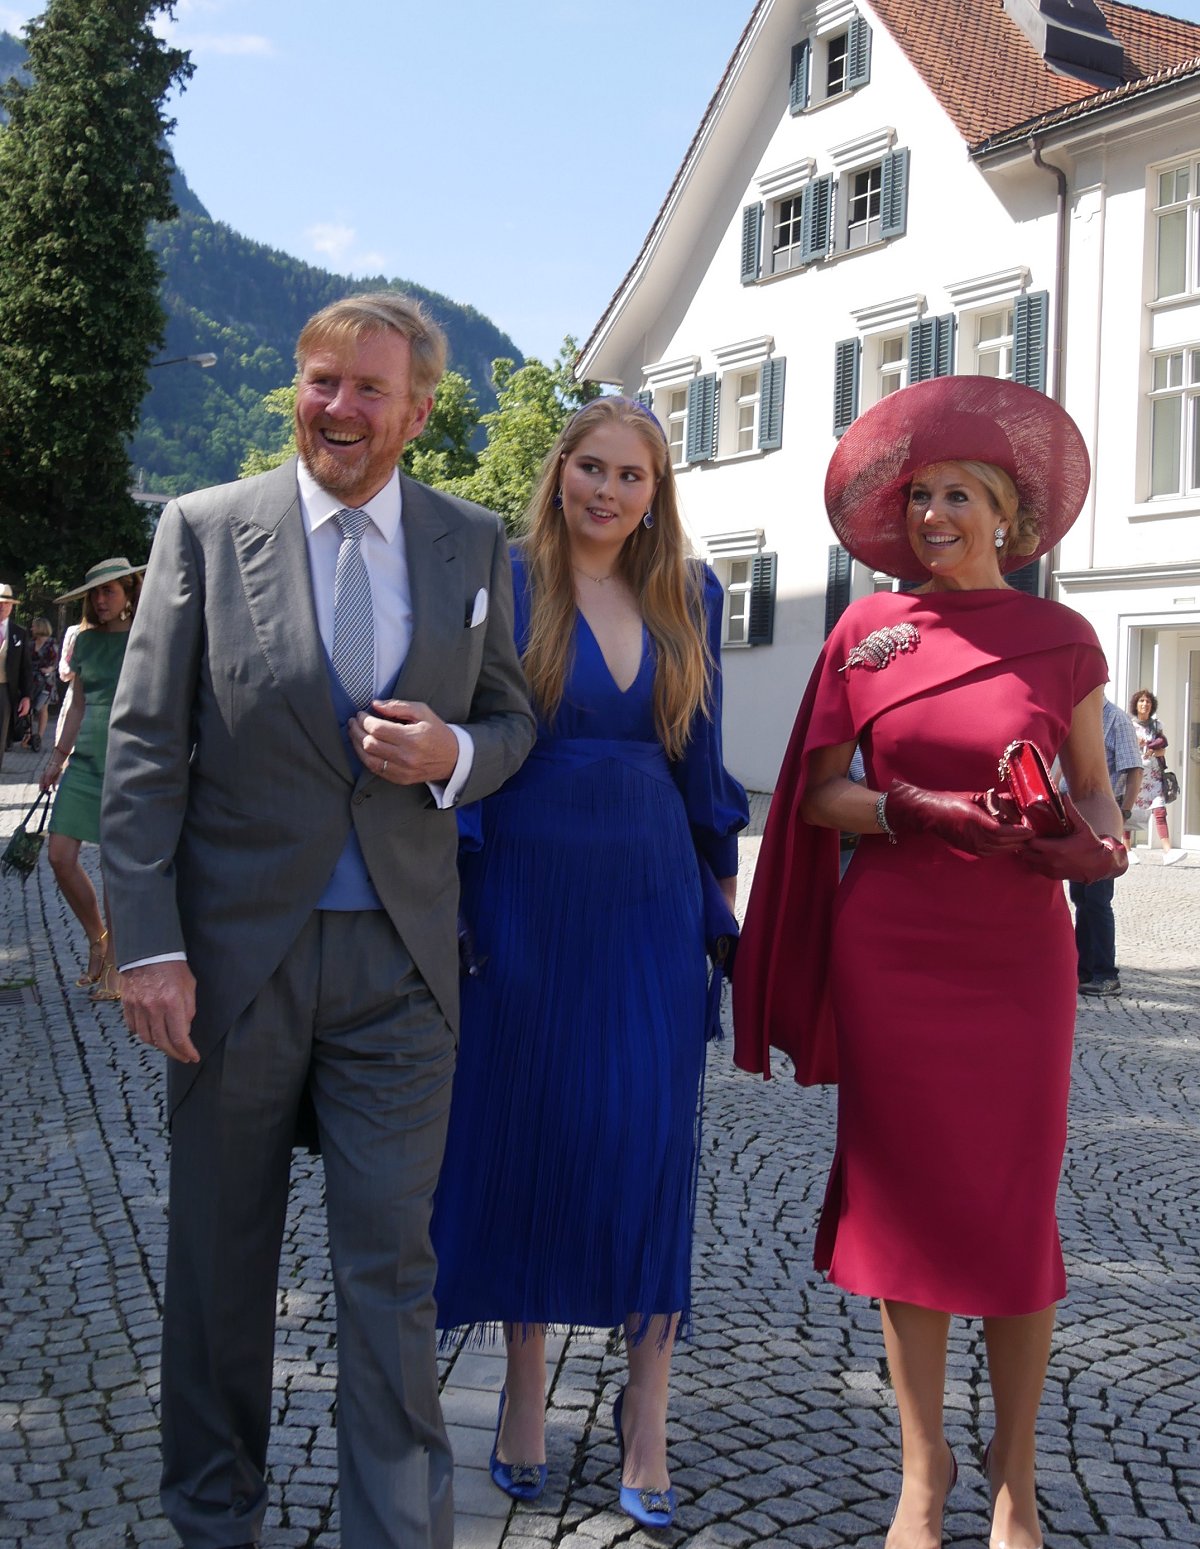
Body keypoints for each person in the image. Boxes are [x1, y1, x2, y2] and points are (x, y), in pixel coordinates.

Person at [100, 293, 536, 1549]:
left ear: (418, 409)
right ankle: (213, 1515)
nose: (337, 408)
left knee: (392, 1276)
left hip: (402, 969)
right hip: (234, 965)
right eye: (319, 380)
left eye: (366, 389)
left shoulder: (469, 542)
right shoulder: (202, 529)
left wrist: (454, 747)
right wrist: (150, 942)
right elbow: (144, 754)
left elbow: (511, 721)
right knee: (221, 1267)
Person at [734, 377, 1126, 1549]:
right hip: (896, 945)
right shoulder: (868, 631)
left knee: (1010, 1210)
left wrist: (1092, 844)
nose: (936, 514)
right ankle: (923, 1469)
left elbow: (1100, 790)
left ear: (1008, 515)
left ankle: (1016, 1471)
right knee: (906, 1207)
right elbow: (818, 792)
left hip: (1016, 956)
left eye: (960, 494)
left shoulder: (1065, 639)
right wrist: (920, 810)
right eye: (920, 499)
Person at [430, 397, 747, 1531]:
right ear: (558, 471)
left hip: (651, 898)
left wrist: (721, 895)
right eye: (591, 467)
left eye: (632, 475)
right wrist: (460, 896)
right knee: (527, 1131)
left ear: (657, 492)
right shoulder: (504, 579)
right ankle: (524, 1385)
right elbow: (467, 739)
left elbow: (700, 758)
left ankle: (646, 1412)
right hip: (521, 894)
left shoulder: (690, 593)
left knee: (647, 1144)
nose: (608, 491)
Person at [38, 561, 143, 1000]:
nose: (101, 600)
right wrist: (57, 758)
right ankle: (97, 937)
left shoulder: (145, 637)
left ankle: (118, 963)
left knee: (115, 867)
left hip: (130, 761)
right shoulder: (83, 640)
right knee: (60, 856)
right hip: (84, 762)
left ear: (128, 593)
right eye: (96, 593)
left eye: (111, 591)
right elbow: (77, 705)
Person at [1067, 697, 1142, 997]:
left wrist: (1123, 812)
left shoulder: (1116, 720)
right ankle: (1084, 968)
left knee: (1098, 899)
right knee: (1081, 897)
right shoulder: (1076, 716)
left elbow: (1133, 770)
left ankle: (1106, 973)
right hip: (1077, 822)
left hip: (1104, 823)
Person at [1126, 688, 1183, 865]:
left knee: (1160, 811)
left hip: (1154, 775)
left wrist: (1151, 746)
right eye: (1141, 701)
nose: (1145, 704)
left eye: (1148, 701)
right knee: (1129, 811)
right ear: (1136, 705)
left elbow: (1163, 746)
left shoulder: (1156, 725)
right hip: (1134, 775)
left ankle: (1167, 851)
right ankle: (1126, 850)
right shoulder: (1128, 724)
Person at [0, 580, 34, 770]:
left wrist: (27, 696)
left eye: (6, 603)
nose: (2, 606)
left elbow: (26, 668)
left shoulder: (18, 633)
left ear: (12, 606)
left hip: (5, 691)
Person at [25, 616, 59, 753]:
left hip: (45, 680)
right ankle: (28, 735)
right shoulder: (31, 643)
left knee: (42, 708)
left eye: (34, 626)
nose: (32, 628)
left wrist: (50, 669)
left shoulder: (51, 643)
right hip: (32, 678)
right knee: (29, 708)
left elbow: (56, 662)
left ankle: (39, 736)